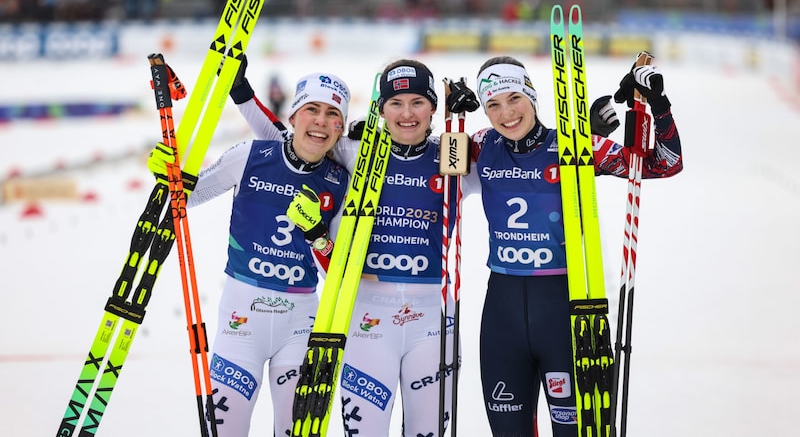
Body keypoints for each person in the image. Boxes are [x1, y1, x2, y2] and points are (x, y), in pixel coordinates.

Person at [443, 56, 683, 436]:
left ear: (532, 96)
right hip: (502, 313)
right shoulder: (480, 145)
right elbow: (435, 171)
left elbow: (665, 164)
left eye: (514, 98)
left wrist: (658, 105)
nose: (506, 113)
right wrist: (447, 125)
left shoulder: (575, 147)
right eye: (492, 104)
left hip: (566, 310)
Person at [231, 58, 465, 437]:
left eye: (418, 102)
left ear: (433, 108)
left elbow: (515, 155)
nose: (407, 114)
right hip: (367, 318)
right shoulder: (356, 152)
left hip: (432, 321)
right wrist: (242, 96)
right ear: (381, 108)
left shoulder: (452, 157)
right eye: (396, 103)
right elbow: (286, 141)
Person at [147, 71, 352, 437]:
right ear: (293, 117)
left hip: (300, 326)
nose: (321, 121)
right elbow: (187, 197)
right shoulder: (250, 156)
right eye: (312, 109)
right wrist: (166, 175)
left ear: (340, 128)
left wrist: (316, 233)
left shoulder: (339, 181)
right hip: (241, 324)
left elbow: (338, 274)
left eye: (332, 115)